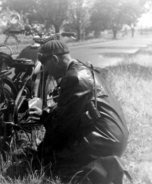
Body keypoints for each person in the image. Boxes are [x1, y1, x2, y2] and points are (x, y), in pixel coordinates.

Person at [29, 40, 131, 184]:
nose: (45, 70)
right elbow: (70, 112)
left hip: (104, 143)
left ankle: (101, 168)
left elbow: (61, 127)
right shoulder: (85, 68)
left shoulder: (74, 78)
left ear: (54, 59)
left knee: (48, 162)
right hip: (114, 136)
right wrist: (46, 115)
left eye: (45, 64)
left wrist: (42, 151)